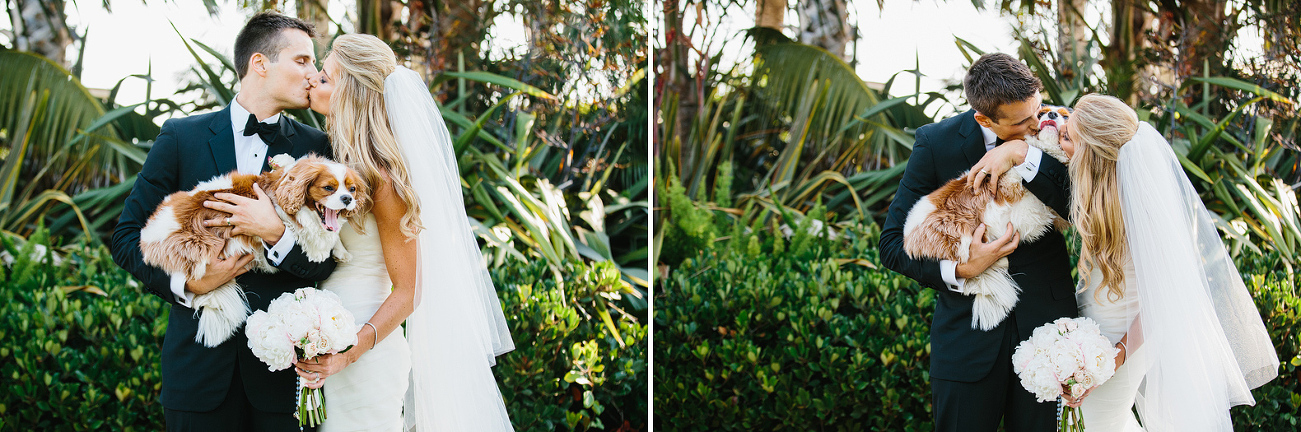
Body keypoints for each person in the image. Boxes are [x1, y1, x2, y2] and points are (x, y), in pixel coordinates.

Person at [111, 12, 337, 432]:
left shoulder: (316, 148)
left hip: (283, 379)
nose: (313, 74)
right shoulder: (181, 137)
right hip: (198, 376)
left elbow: (327, 262)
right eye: (302, 61)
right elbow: (125, 238)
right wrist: (189, 284)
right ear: (260, 64)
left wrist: (275, 232)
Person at [288, 34, 515, 431]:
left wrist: (349, 352)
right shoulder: (332, 165)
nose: (313, 83)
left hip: (364, 349)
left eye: (324, 78)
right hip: (319, 338)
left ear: (350, 92)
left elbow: (409, 291)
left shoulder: (384, 180)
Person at [1047, 94, 1277, 431]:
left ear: (1092, 154)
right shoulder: (1102, 191)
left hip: (1122, 342)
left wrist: (1116, 356)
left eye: (1068, 138)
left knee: (1096, 425)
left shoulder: (1142, 209)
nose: (1059, 142)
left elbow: (1165, 297)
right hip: (1093, 330)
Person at [878, 52, 1077, 431]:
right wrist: (962, 269)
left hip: (1047, 334)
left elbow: (1081, 209)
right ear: (984, 119)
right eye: (1022, 122)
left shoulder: (1056, 126)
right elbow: (891, 244)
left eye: (1037, 109)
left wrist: (1022, 151)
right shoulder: (935, 144)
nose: (1038, 123)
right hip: (966, 341)